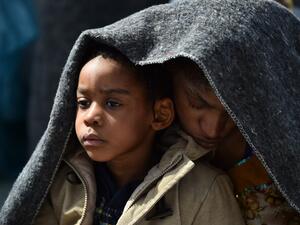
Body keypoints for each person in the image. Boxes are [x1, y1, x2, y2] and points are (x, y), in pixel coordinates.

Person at [0, 42, 244, 224]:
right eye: (83, 102)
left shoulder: (204, 191)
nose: (90, 117)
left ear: (160, 115)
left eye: (112, 103)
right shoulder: (59, 182)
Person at [167, 58, 300, 225]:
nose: (213, 129)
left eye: (232, 110)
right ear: (171, 72)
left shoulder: (281, 140)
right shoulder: (149, 137)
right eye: (197, 104)